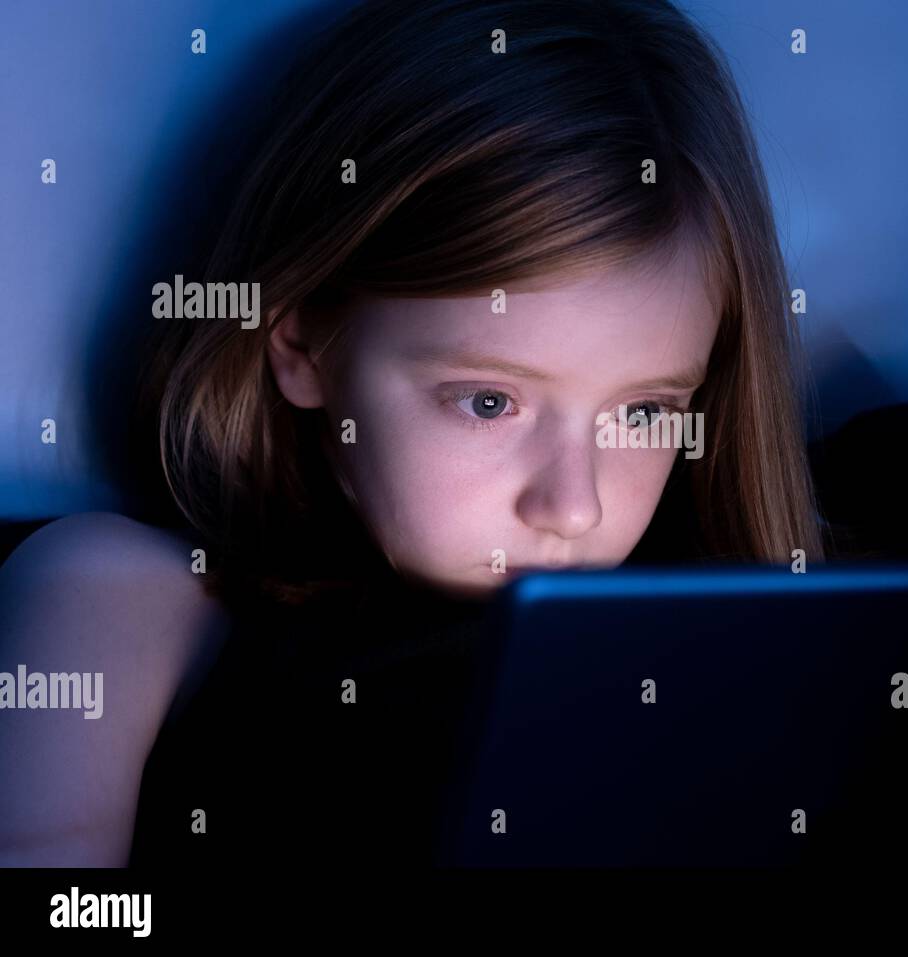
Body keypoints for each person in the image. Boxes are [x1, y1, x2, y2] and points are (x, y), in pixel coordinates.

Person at [0, 0, 823, 867]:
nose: (574, 506)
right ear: (301, 345)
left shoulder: (730, 641)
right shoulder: (126, 600)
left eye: (643, 413)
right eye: (488, 402)